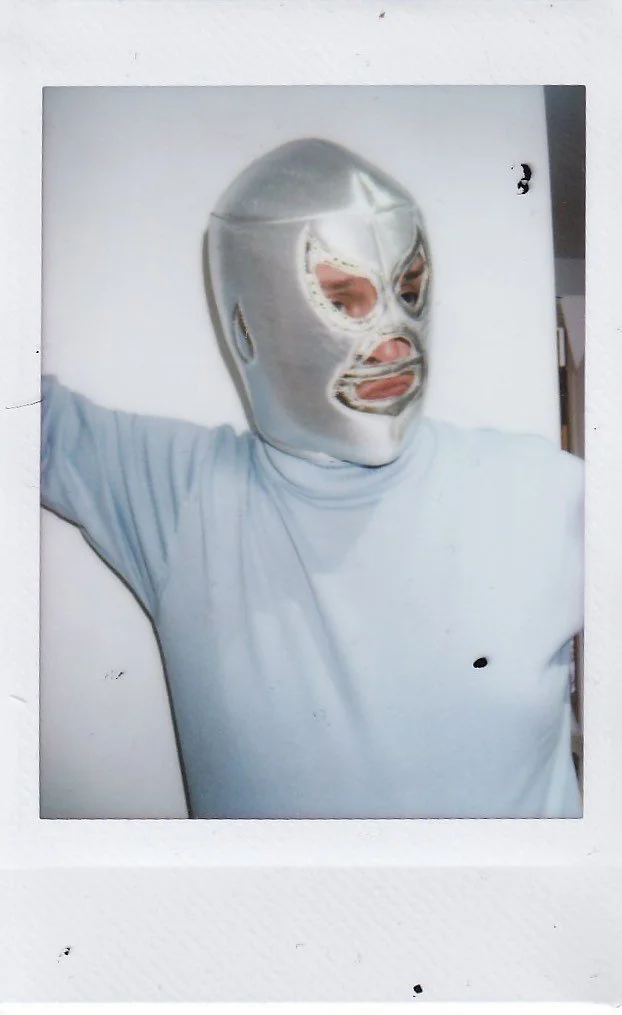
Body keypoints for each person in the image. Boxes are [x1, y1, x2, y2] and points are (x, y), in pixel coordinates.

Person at [41, 138, 584, 819]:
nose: (394, 341)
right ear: (246, 326)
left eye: (408, 291)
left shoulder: (547, 492)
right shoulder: (182, 495)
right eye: (343, 299)